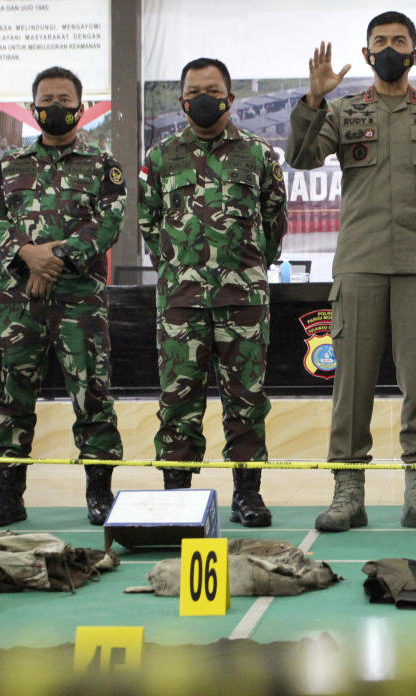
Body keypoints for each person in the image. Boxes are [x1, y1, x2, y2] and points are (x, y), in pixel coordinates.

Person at [286, 11, 416, 533]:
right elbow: (302, 157)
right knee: (351, 388)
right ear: (366, 55)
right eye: (379, 41)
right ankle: (347, 494)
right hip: (358, 267)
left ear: (415, 55)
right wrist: (313, 101)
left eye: (398, 41)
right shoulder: (342, 111)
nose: (388, 48)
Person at [138, 58, 288, 527]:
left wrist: (241, 271)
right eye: (194, 90)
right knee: (178, 402)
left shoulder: (260, 155)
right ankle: (178, 496)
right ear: (182, 99)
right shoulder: (160, 158)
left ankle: (247, 494)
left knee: (246, 401)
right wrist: (180, 270)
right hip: (180, 304)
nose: (203, 98)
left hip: (242, 301)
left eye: (213, 89)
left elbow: (274, 225)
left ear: (230, 96)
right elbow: (148, 225)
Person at [0, 66, 125, 527]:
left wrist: (53, 258)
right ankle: (8, 494)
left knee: (93, 394)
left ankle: (100, 493)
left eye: (66, 99)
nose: (56, 106)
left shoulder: (104, 167)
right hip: (19, 302)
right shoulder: (6, 167)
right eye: (48, 98)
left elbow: (108, 221)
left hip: (80, 303)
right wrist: (27, 255)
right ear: (33, 107)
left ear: (81, 109)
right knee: (11, 397)